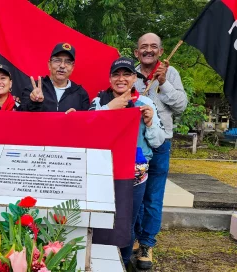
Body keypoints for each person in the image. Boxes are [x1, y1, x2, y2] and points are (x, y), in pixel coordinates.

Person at [89, 57, 165, 268]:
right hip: (104, 170)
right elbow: (87, 131)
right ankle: (97, 260)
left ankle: (121, 262)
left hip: (134, 172)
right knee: (101, 219)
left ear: (134, 78)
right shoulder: (99, 101)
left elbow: (158, 141)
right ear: (110, 78)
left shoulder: (146, 103)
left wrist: (150, 123)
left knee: (126, 220)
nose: (121, 79)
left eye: (126, 74)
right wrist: (108, 109)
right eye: (116, 74)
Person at [133, 33, 187, 269]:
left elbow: (181, 106)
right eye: (143, 46)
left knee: (153, 196)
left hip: (160, 142)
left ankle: (147, 243)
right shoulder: (129, 74)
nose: (148, 50)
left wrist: (163, 83)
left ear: (161, 51)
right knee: (135, 194)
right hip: (136, 145)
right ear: (137, 52)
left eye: (153, 47)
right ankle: (135, 235)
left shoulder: (170, 73)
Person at [21, 42, 89, 112]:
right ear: (49, 65)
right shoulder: (33, 89)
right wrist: (34, 103)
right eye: (57, 60)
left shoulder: (81, 94)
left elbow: (87, 121)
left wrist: (77, 118)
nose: (62, 66)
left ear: (72, 68)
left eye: (68, 62)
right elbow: (21, 117)